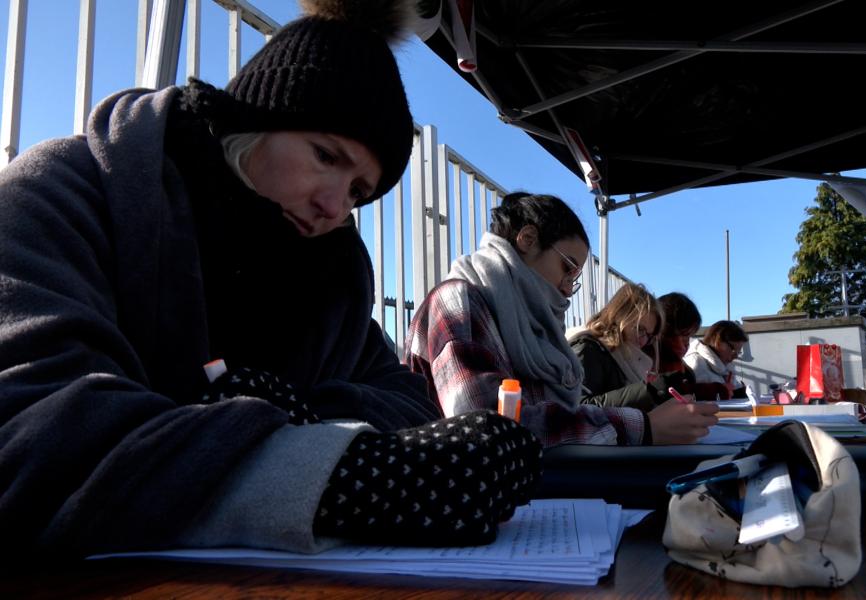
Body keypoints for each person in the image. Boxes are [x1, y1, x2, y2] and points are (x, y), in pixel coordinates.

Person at [0, 0, 540, 560]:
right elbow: (28, 430)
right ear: (254, 118)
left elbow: (408, 402)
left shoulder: (330, 281)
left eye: (358, 191)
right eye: (325, 156)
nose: (334, 206)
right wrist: (335, 474)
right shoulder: (61, 196)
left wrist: (304, 417)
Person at [404, 192, 718, 446]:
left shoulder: (527, 322)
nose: (567, 289)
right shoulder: (458, 301)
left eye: (575, 278)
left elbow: (556, 414)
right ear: (528, 239)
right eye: (567, 268)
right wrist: (643, 427)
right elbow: (486, 426)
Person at [569, 283, 703, 413]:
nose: (643, 340)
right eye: (640, 329)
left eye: (649, 336)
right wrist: (649, 391)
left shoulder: (632, 357)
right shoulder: (588, 349)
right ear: (619, 316)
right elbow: (578, 408)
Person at [649, 292, 730, 401]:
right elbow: (676, 392)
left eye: (688, 338)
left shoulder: (681, 365)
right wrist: (717, 390)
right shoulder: (653, 362)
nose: (684, 346)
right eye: (684, 336)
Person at [685, 320, 750, 400]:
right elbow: (691, 396)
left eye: (738, 352)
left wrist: (741, 392)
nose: (736, 356)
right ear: (718, 342)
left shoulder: (726, 367)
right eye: (733, 350)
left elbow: (733, 390)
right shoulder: (696, 363)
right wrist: (720, 391)